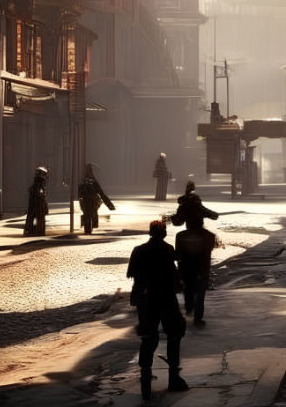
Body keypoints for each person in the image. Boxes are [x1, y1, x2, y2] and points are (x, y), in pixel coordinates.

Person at [127, 219, 189, 400]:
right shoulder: (168, 250)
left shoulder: (138, 251)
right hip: (166, 300)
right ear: (163, 234)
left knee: (148, 338)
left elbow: (133, 276)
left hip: (146, 302)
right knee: (174, 335)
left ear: (150, 232)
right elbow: (175, 277)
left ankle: (145, 376)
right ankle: (174, 377)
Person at [171, 181, 219, 326]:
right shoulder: (197, 204)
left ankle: (189, 306)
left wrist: (173, 217)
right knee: (201, 283)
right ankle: (198, 315)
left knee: (188, 281)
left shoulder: (183, 205)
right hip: (201, 239)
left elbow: (177, 222)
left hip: (186, 243)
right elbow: (213, 215)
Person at [78, 164, 115, 235]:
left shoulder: (83, 182)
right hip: (90, 202)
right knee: (92, 210)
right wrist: (110, 206)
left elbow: (101, 194)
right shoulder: (92, 182)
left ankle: (90, 223)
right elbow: (101, 194)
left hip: (88, 202)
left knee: (88, 211)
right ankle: (92, 223)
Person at [23, 166, 49, 236]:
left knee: (31, 216)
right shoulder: (40, 182)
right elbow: (40, 193)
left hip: (35, 202)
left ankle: (29, 230)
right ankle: (37, 231)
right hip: (38, 203)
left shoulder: (37, 183)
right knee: (38, 217)